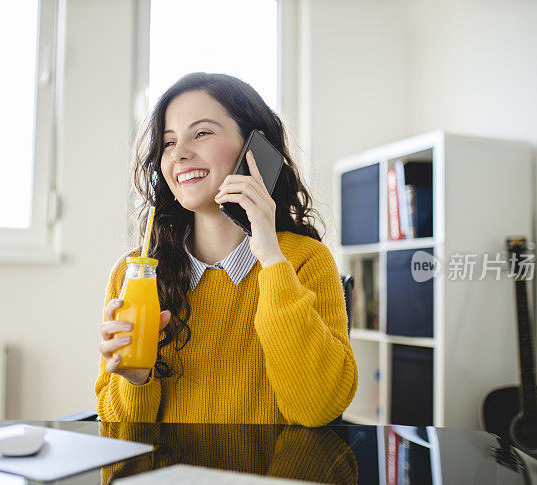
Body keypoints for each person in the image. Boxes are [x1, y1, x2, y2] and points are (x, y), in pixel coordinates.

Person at [95, 72, 357, 426]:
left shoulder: (303, 260)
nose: (180, 154)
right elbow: (119, 431)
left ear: (255, 148)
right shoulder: (136, 273)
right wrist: (136, 380)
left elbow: (317, 409)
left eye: (201, 133)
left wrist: (271, 257)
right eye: (168, 143)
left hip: (269, 479)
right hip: (164, 480)